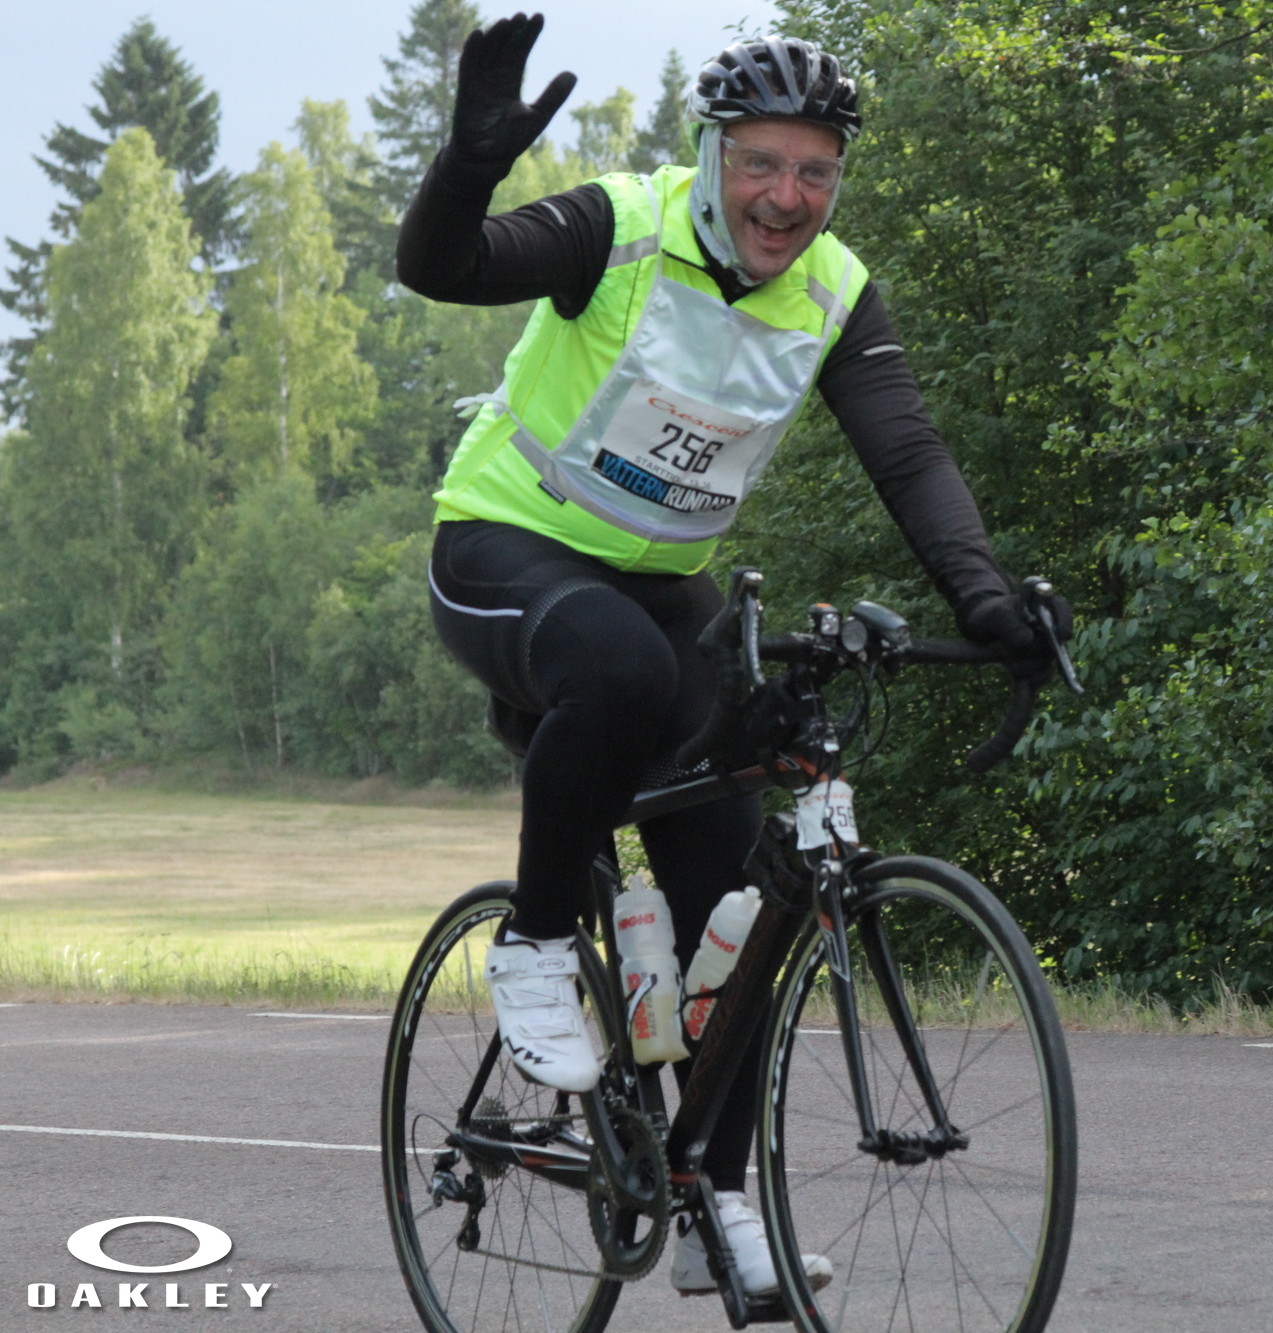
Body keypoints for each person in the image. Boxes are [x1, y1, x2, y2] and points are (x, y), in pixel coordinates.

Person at [397, 12, 1063, 1302]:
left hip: (660, 586)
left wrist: (985, 602)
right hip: (505, 549)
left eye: (816, 172)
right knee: (625, 675)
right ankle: (536, 945)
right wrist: (469, 164)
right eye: (761, 162)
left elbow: (908, 452)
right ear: (712, 156)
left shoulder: (834, 292)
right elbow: (445, 266)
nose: (786, 196)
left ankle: (713, 1193)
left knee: (742, 895)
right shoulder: (620, 227)